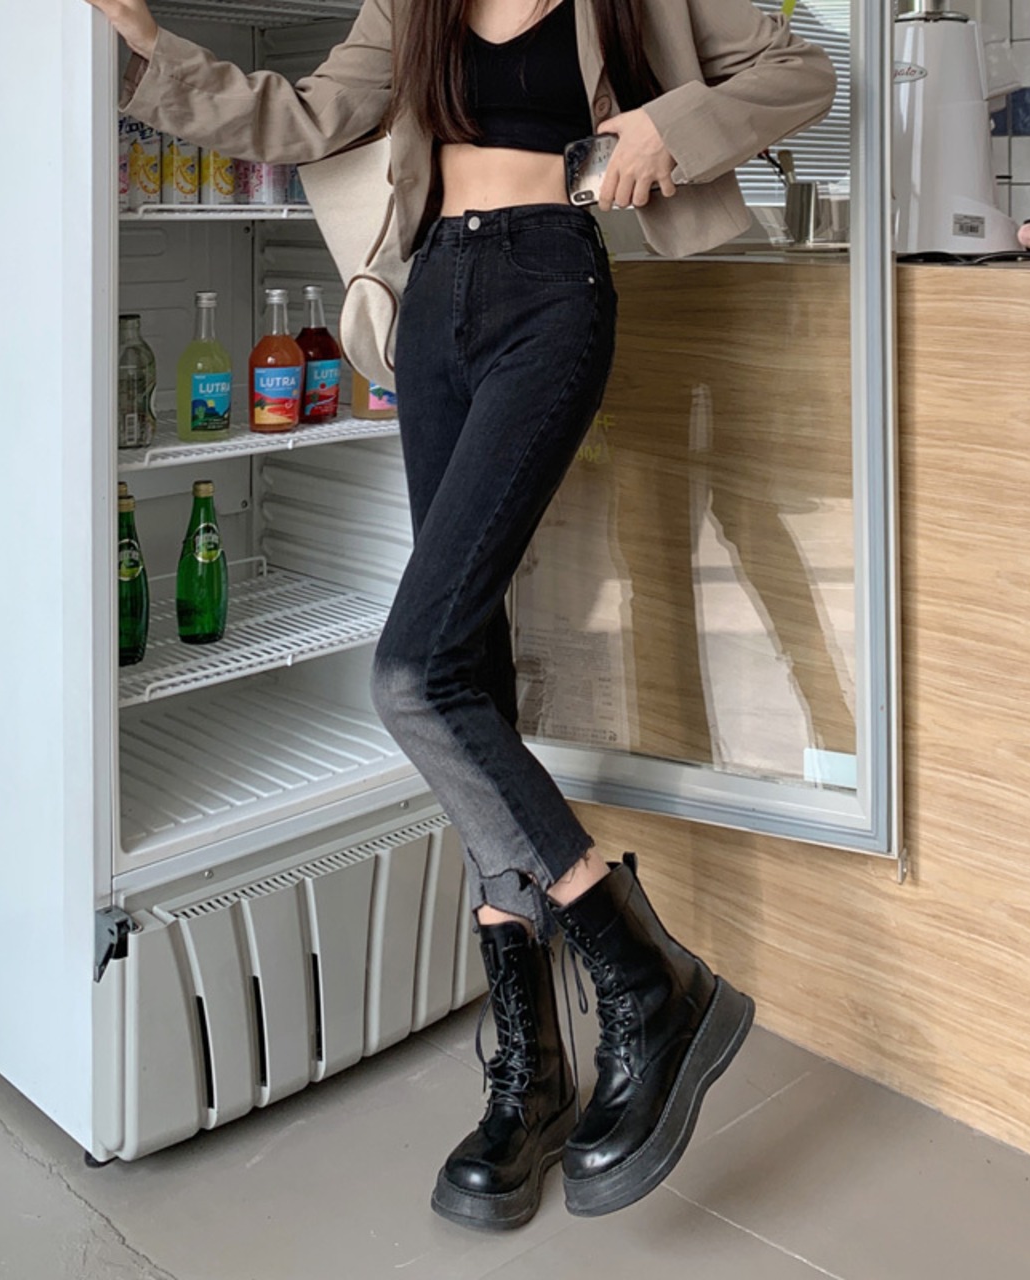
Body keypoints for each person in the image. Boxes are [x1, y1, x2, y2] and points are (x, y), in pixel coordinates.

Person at [88, 0, 835, 1231]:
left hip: (552, 286)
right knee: (466, 667)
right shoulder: (413, 4)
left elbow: (797, 71)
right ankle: (531, 1076)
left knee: (413, 670)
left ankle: (644, 976)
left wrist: (668, 127)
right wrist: (148, 61)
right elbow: (302, 117)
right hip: (433, 298)